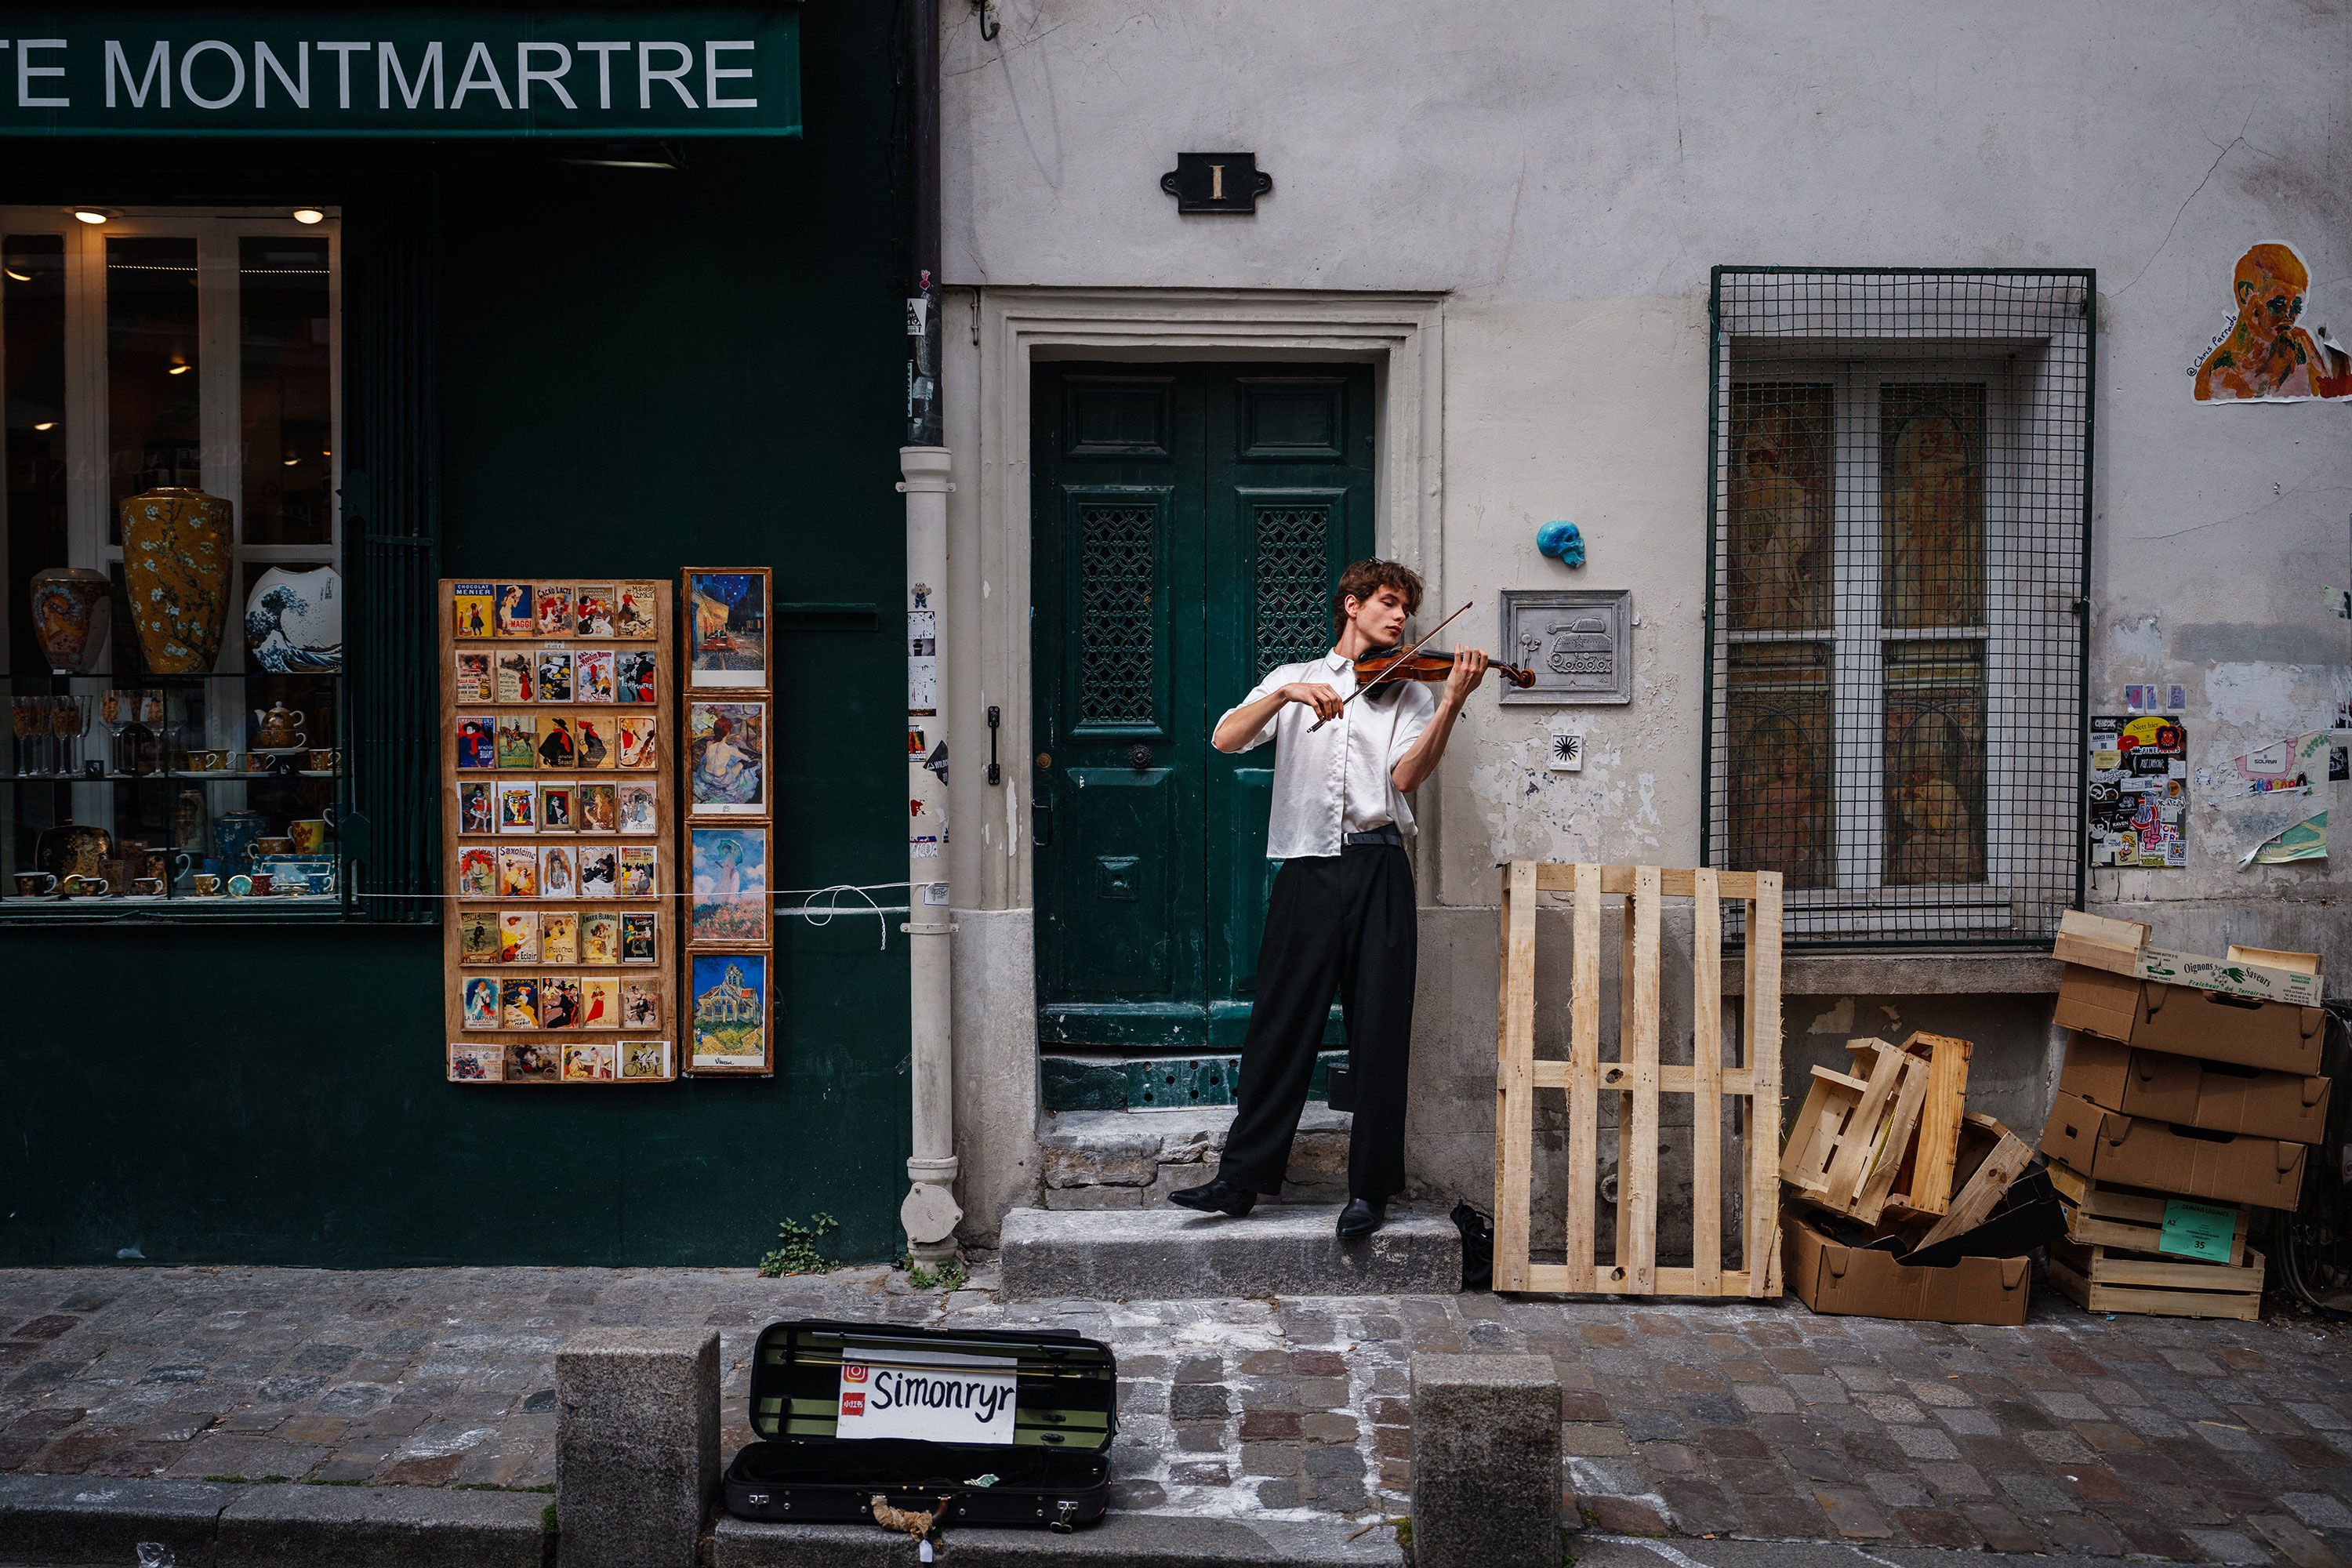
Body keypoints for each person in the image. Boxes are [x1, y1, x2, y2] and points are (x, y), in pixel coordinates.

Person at [1170, 559, 1487, 1240]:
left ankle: (1369, 1192)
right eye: (1389, 603)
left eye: (1405, 608)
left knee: (1379, 1031)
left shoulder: (1410, 692)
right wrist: (1287, 697)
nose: (1400, 618)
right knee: (1280, 1025)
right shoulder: (1293, 678)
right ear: (1352, 604)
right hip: (1307, 871)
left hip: (1379, 872)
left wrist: (1454, 701)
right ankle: (1241, 1180)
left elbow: (1405, 776)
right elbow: (1226, 738)